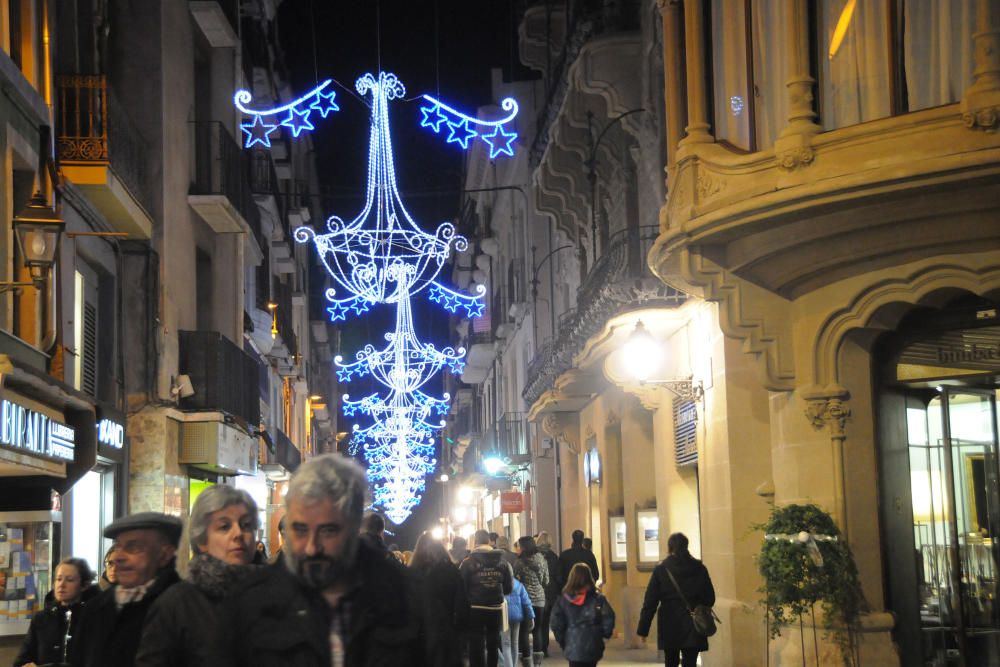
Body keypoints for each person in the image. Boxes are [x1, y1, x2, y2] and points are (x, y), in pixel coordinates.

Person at [221, 453, 425, 666]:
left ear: (353, 527)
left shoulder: (409, 601)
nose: (311, 548)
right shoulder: (252, 604)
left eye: (328, 531)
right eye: (300, 530)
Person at [135, 485, 259, 667]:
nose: (238, 534)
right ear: (202, 541)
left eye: (246, 525)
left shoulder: (275, 595)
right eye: (224, 527)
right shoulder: (177, 603)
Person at [71, 512, 183, 667]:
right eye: (118, 546)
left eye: (133, 547)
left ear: (164, 555)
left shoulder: (182, 608)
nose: (118, 557)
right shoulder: (95, 609)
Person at [636, 533, 716, 667]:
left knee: (671, 661)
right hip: (693, 622)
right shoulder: (700, 568)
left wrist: (643, 629)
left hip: (669, 622)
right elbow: (710, 598)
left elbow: (650, 602)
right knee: (690, 662)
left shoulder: (661, 570)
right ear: (687, 546)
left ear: (670, 548)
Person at [15, 557, 97, 667]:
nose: (61, 585)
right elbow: (22, 659)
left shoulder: (93, 618)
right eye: (58, 579)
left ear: (84, 585)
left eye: (69, 580)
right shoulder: (41, 618)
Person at [410, 532, 470, 667]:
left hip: (419, 639)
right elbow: (462, 607)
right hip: (447, 636)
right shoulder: (451, 571)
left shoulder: (412, 574)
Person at [459, 529, 513, 667]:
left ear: (475, 542)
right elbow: (508, 587)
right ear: (489, 541)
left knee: (476, 645)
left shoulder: (467, 562)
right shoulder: (502, 561)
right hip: (495, 608)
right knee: (493, 644)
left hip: (475, 609)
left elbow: (461, 588)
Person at [550, 563, 615, 667]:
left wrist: (562, 639)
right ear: (590, 578)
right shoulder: (598, 599)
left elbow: (556, 623)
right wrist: (603, 634)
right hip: (593, 644)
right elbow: (608, 618)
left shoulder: (563, 600)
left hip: (572, 644)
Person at [513, 536, 548, 666]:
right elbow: (546, 580)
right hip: (539, 599)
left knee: (524, 631)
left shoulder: (519, 562)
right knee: (537, 629)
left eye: (519, 546)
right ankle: (538, 662)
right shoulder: (542, 560)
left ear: (523, 547)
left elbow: (515, 581)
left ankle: (527, 662)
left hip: (524, 600)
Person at [535, 532, 562, 658]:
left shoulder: (534, 556)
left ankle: (538, 647)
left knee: (539, 622)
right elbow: (558, 577)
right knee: (547, 621)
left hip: (537, 592)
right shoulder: (554, 557)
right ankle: (544, 648)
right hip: (551, 593)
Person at [502, 577, 534, 667]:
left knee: (506, 644)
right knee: (515, 643)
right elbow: (526, 602)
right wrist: (531, 616)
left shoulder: (500, 584)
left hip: (504, 617)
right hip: (517, 617)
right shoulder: (519, 585)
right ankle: (514, 665)